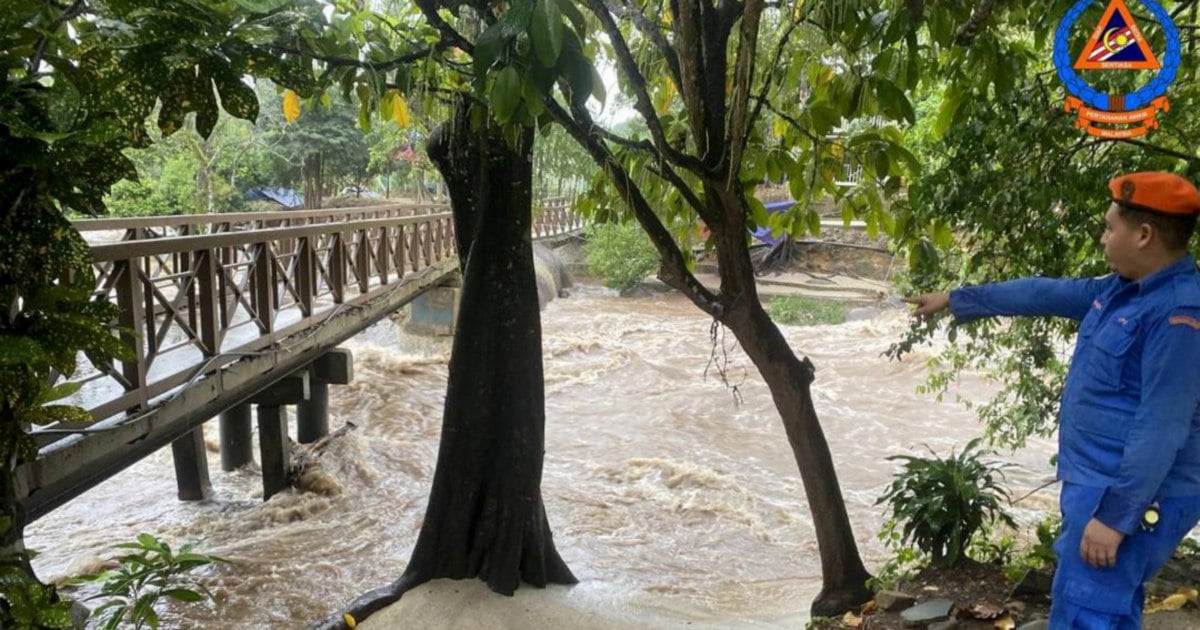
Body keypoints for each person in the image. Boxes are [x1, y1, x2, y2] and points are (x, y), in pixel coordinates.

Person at [905, 172, 1200, 629]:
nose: (1102, 238)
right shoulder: (1120, 291)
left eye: (1109, 228)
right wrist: (955, 299)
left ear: (1143, 235)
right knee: (1100, 609)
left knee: (1087, 613)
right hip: (1101, 483)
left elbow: (1163, 426)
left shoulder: (1178, 315)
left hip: (1129, 495)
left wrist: (1116, 517)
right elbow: (1043, 291)